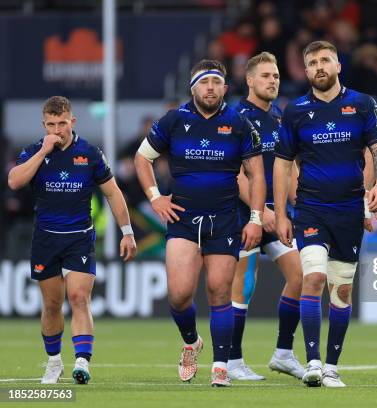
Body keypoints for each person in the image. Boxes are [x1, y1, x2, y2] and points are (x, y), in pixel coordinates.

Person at [133, 59, 265, 387]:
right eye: (204, 82)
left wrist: (256, 219)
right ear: (193, 87)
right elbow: (142, 158)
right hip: (183, 219)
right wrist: (154, 197)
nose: (210, 88)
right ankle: (191, 342)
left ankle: (220, 365)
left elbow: (256, 174)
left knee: (219, 291)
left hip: (224, 221)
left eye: (216, 82)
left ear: (224, 87)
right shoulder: (175, 120)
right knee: (178, 295)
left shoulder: (239, 123)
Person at [274, 40, 377, 388]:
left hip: (350, 211)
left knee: (341, 291)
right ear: (306, 71)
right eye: (312, 62)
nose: (319, 66)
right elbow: (282, 166)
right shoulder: (295, 111)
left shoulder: (363, 105)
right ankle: (312, 361)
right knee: (313, 278)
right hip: (311, 209)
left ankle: (332, 367)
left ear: (338, 65)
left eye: (326, 60)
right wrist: (281, 213)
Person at [7, 96, 137, 385]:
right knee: (52, 304)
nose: (57, 130)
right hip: (45, 239)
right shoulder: (35, 151)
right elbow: (15, 181)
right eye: (51, 124)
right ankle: (54, 362)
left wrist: (127, 232)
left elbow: (113, 192)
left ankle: (82, 361)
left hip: (79, 238)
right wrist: (43, 151)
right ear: (44, 124)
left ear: (72, 121)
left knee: (79, 297)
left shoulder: (89, 153)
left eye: (62, 123)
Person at [228, 51, 305, 381]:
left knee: (301, 275)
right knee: (244, 284)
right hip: (244, 214)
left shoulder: (278, 117)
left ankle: (283, 353)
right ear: (249, 80)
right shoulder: (235, 117)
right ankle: (232, 361)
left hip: (277, 216)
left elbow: (288, 167)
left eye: (275, 75)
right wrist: (261, 213)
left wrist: (295, 204)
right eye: (266, 76)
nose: (273, 80)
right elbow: (237, 173)